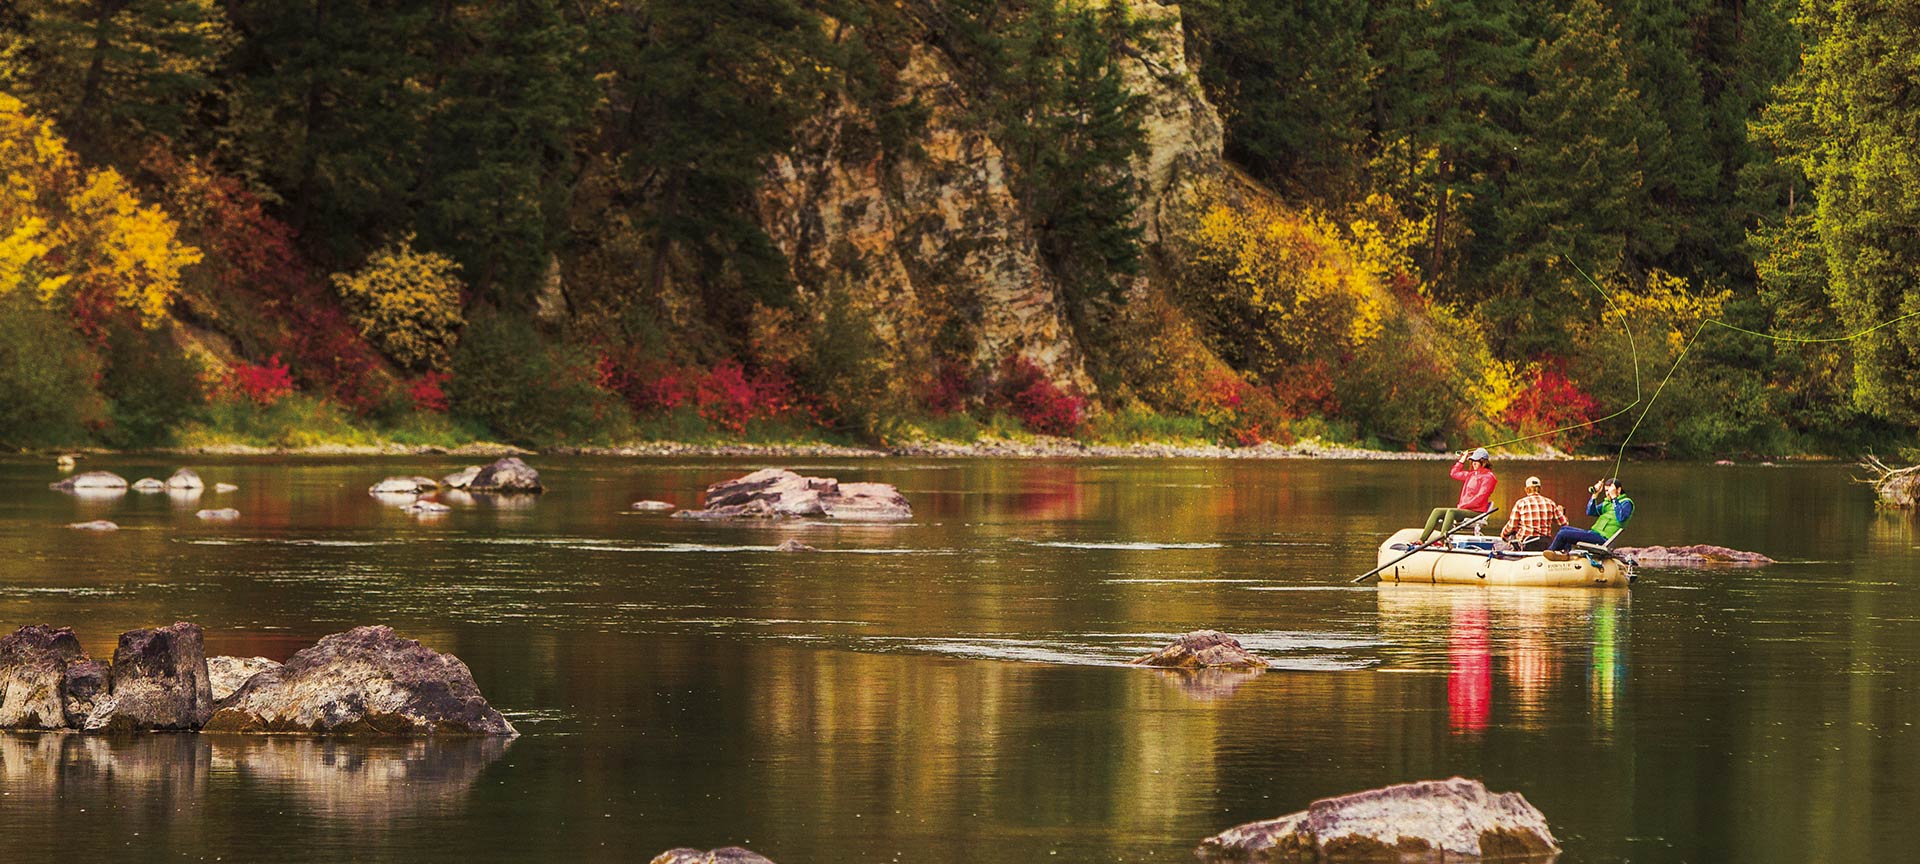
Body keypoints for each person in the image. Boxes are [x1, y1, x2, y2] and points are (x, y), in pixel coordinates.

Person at [1416, 448, 1497, 545]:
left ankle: (1441, 541)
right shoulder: (1471, 475)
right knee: (1437, 511)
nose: (1473, 463)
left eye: (1476, 461)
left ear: (1483, 462)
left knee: (1452, 512)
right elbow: (1454, 473)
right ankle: (1421, 540)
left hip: (1477, 512)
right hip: (1465, 509)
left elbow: (1480, 498)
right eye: (1472, 461)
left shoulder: (1489, 477)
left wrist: (1463, 506)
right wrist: (1462, 459)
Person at [1542, 477, 1634, 559]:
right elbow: (1590, 512)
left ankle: (1549, 554)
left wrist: (1614, 498)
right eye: (1606, 491)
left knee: (1563, 534)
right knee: (1564, 528)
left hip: (1603, 539)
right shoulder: (1607, 503)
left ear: (1618, 490)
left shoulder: (1626, 503)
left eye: (1609, 491)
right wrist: (1595, 495)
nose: (1608, 494)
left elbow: (1621, 517)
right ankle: (1565, 554)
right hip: (1594, 534)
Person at [1501, 476, 1568, 552]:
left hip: (1527, 543)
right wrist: (1561, 513)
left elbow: (1512, 526)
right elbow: (1564, 523)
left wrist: (1503, 534)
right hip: (1546, 543)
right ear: (1540, 489)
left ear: (1526, 489)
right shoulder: (1550, 503)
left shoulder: (1521, 503)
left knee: (1512, 536)